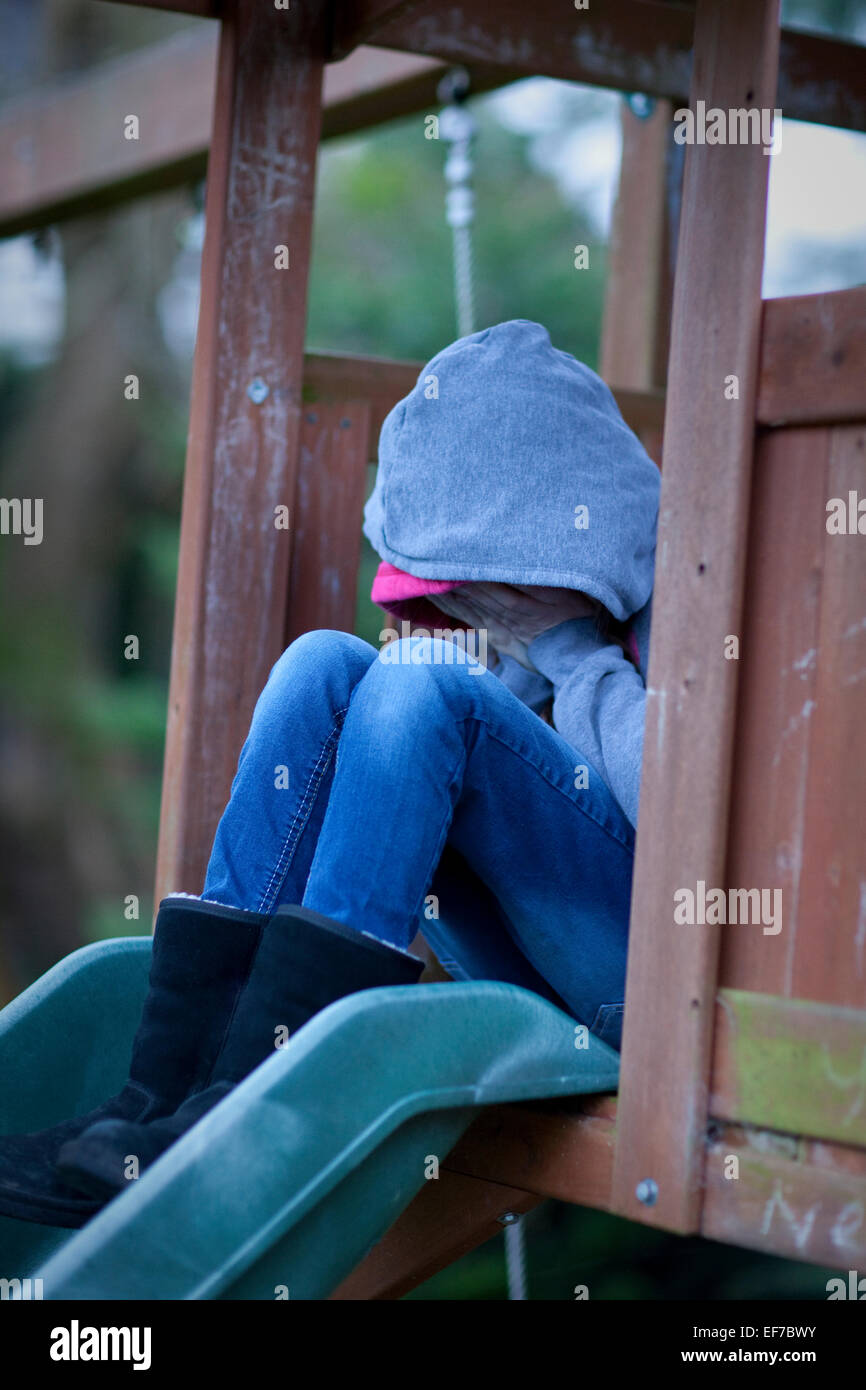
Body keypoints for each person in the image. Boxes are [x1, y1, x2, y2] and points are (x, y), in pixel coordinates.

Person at [0, 319, 659, 1228]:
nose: (466, 610)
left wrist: (570, 651)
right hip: (519, 964)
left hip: (652, 974)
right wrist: (507, 655)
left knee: (421, 679)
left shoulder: (690, 599)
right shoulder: (505, 647)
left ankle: (275, 1107)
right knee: (323, 660)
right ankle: (166, 1100)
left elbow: (686, 815)